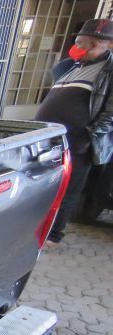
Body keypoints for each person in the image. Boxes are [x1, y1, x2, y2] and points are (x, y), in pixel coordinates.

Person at [35, 18, 113, 246]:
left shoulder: (108, 71)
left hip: (78, 140)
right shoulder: (72, 67)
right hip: (49, 137)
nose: (81, 46)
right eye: (80, 41)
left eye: (87, 43)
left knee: (69, 188)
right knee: (46, 184)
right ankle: (38, 225)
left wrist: (90, 137)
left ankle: (53, 234)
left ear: (103, 44)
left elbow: (110, 112)